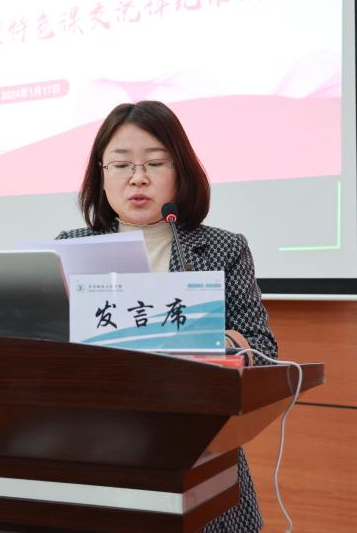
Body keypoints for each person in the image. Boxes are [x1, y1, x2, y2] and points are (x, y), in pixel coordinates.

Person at [56, 100, 278, 532]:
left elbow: (264, 351)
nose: (138, 177)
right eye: (121, 165)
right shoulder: (72, 247)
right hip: (99, 452)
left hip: (196, 452)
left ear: (180, 171)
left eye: (155, 163)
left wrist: (222, 344)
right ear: (101, 175)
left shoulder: (223, 249)